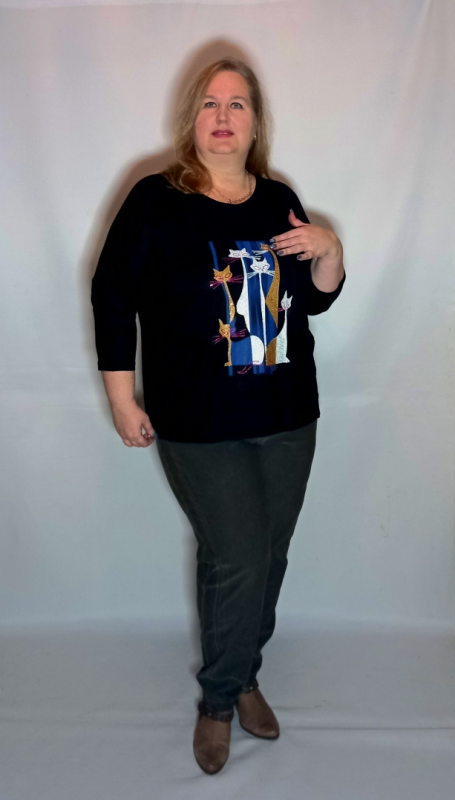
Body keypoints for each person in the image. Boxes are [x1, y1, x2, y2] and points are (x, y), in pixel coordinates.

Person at [91, 56, 346, 775]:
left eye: (238, 103)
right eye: (210, 103)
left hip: (287, 414)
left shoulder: (278, 199)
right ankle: (219, 700)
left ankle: (244, 673)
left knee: (267, 554)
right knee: (236, 555)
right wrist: (120, 396)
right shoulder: (155, 201)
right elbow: (112, 293)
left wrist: (330, 250)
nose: (224, 115)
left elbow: (313, 298)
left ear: (256, 122)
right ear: (191, 119)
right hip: (198, 421)